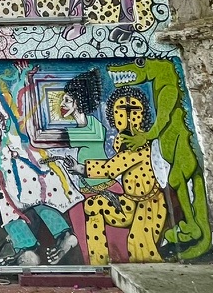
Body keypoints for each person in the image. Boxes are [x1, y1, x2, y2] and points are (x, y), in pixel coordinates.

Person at [65, 88, 166, 264]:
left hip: (148, 205)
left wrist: (81, 168)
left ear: (143, 115)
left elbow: (112, 168)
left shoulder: (139, 143)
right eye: (121, 110)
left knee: (140, 248)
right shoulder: (120, 138)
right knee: (93, 205)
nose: (127, 117)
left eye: (134, 110)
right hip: (130, 201)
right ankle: (98, 261)